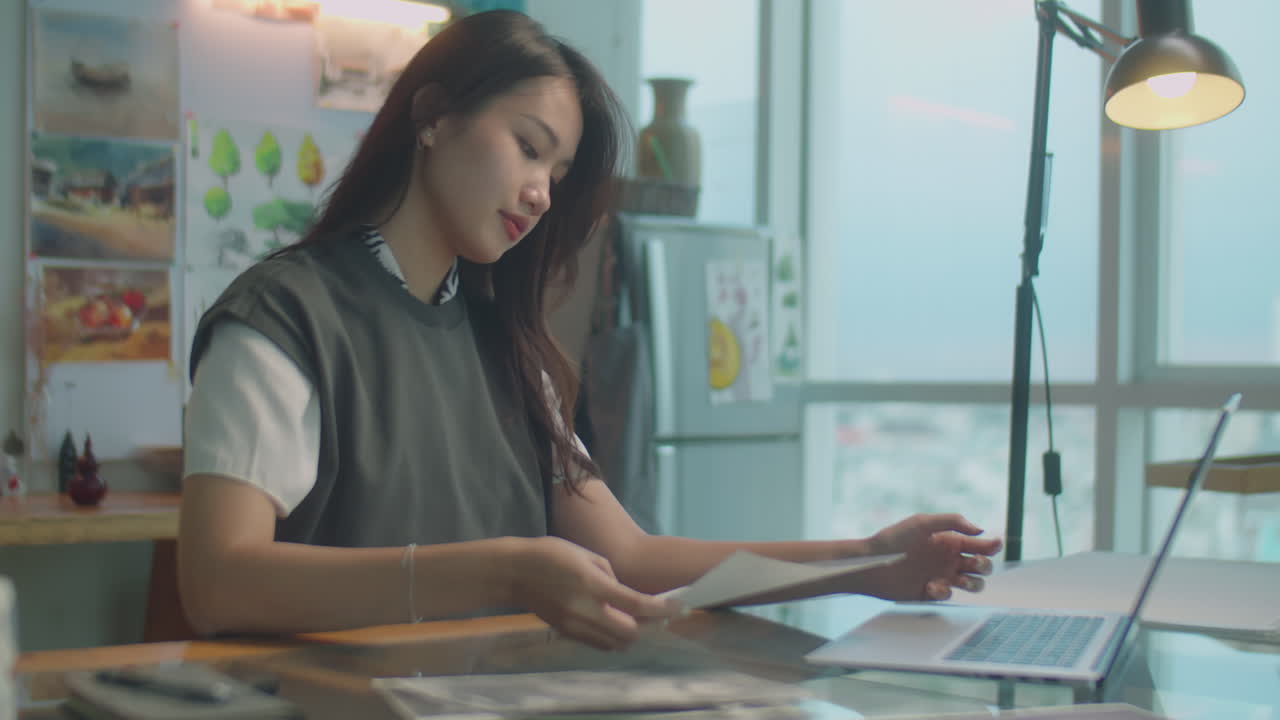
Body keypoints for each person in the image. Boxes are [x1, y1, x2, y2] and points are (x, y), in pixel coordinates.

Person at [177, 9, 1001, 652]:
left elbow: (633, 559)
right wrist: (503, 570)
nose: (539, 194)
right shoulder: (286, 318)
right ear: (432, 117)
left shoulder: (508, 347)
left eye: (557, 175)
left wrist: (863, 561)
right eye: (527, 149)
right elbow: (219, 582)